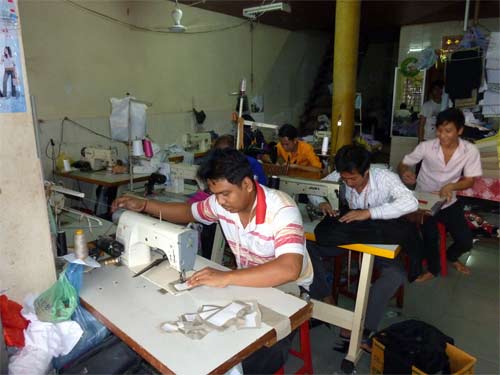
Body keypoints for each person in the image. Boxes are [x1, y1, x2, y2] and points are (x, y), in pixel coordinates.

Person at [112, 149, 312, 374]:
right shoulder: (221, 203)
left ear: (247, 184)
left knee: (249, 355)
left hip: (288, 290)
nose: (219, 202)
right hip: (247, 281)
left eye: (225, 194)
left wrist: (227, 276)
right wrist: (145, 206)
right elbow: (188, 212)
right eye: (215, 194)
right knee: (201, 332)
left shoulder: (282, 209)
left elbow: (289, 269)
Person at [307, 145, 419, 349]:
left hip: (377, 235)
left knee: (396, 274)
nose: (349, 184)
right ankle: (326, 300)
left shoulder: (385, 177)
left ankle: (364, 328)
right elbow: (317, 189)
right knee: (306, 246)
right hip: (351, 235)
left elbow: (411, 203)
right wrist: (322, 202)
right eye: (345, 180)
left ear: (366, 171)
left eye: (354, 179)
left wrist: (370, 213)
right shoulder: (342, 174)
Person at [399, 108, 482, 281]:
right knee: (430, 235)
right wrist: (405, 171)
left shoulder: (470, 151)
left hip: (448, 201)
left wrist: (452, 186)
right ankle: (432, 269)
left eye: (448, 131)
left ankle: (451, 257)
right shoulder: (426, 147)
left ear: (459, 131)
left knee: (465, 241)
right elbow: (404, 163)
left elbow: (470, 180)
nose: (442, 135)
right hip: (425, 200)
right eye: (439, 130)